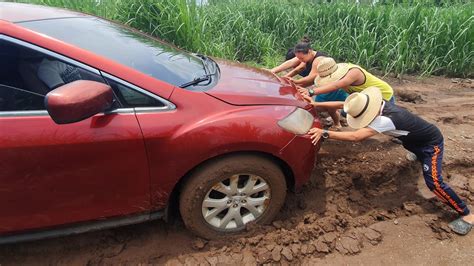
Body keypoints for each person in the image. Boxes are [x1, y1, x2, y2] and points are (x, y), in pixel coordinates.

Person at [304, 87, 473, 235]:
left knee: (434, 183)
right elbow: (344, 104)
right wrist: (315, 104)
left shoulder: (386, 120)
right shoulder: (375, 103)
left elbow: (357, 136)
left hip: (431, 144)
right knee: (406, 142)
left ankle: (466, 214)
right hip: (413, 140)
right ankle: (419, 155)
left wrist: (325, 133)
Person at [299, 57, 395, 104]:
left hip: (383, 95)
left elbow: (336, 85)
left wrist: (311, 92)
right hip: (366, 96)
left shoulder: (354, 72)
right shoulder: (337, 73)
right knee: (346, 112)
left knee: (384, 118)